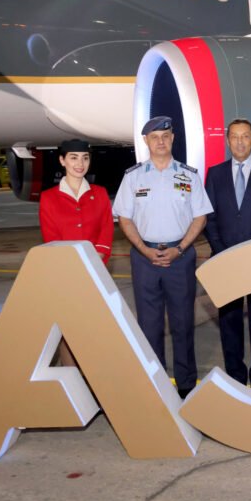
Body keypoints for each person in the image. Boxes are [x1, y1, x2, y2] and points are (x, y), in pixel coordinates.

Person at [113, 116, 213, 399]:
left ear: (173, 139)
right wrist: (144, 250)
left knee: (183, 323)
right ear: (146, 141)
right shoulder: (133, 177)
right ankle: (155, 383)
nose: (160, 142)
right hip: (144, 258)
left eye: (165, 136)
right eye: (155, 137)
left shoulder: (188, 175)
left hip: (180, 257)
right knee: (149, 325)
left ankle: (186, 383)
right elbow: (124, 219)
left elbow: (200, 217)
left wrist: (179, 249)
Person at [204, 119, 251, 393]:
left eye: (245, 136)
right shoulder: (215, 174)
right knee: (229, 322)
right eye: (234, 137)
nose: (239, 142)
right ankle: (235, 377)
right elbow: (209, 216)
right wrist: (221, 250)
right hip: (225, 261)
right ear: (227, 141)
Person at [38, 138, 114, 367]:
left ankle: (92, 376)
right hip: (65, 274)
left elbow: (106, 229)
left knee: (92, 328)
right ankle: (71, 376)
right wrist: (74, 265)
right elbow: (51, 238)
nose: (80, 164)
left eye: (85, 158)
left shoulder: (100, 193)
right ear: (62, 161)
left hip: (95, 271)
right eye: (73, 158)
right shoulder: (49, 197)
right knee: (68, 329)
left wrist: (96, 259)